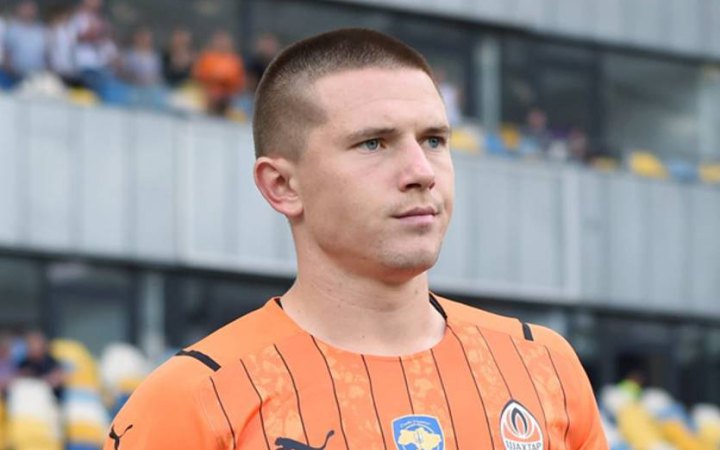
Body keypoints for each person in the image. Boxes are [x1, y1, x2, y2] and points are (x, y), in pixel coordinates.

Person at [104, 28, 608, 450]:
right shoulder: (194, 400)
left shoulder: (543, 366)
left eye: (433, 140)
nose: (421, 172)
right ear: (282, 186)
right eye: (373, 143)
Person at [192, 30, 245, 115]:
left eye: (224, 41)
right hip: (207, 95)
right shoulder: (207, 58)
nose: (221, 44)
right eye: (219, 41)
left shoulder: (235, 61)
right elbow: (197, 78)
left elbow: (239, 84)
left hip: (228, 97)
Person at [17, 330, 65, 401]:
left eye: (35, 344)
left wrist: (40, 381)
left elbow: (56, 380)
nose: (32, 348)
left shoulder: (52, 362)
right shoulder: (24, 363)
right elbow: (17, 379)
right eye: (30, 344)